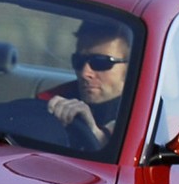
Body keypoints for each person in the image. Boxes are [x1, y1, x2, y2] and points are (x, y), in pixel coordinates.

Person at [40, 20, 133, 151]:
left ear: (131, 67)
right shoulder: (49, 100)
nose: (85, 73)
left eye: (100, 62)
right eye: (78, 61)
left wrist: (97, 136)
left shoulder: (147, 118)